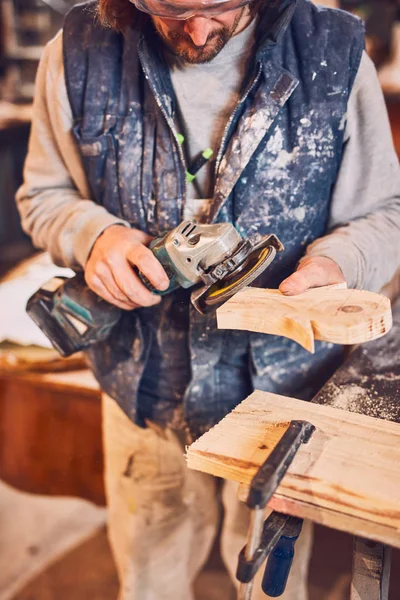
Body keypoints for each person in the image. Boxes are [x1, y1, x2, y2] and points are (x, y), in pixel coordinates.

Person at [16, 0, 400, 598]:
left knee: (269, 585)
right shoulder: (75, 52)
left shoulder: (334, 50)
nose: (197, 32)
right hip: (145, 385)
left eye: (221, 5)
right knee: (149, 574)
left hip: (283, 392)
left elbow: (387, 213)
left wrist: (337, 263)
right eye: (170, 8)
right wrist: (93, 236)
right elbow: (41, 194)